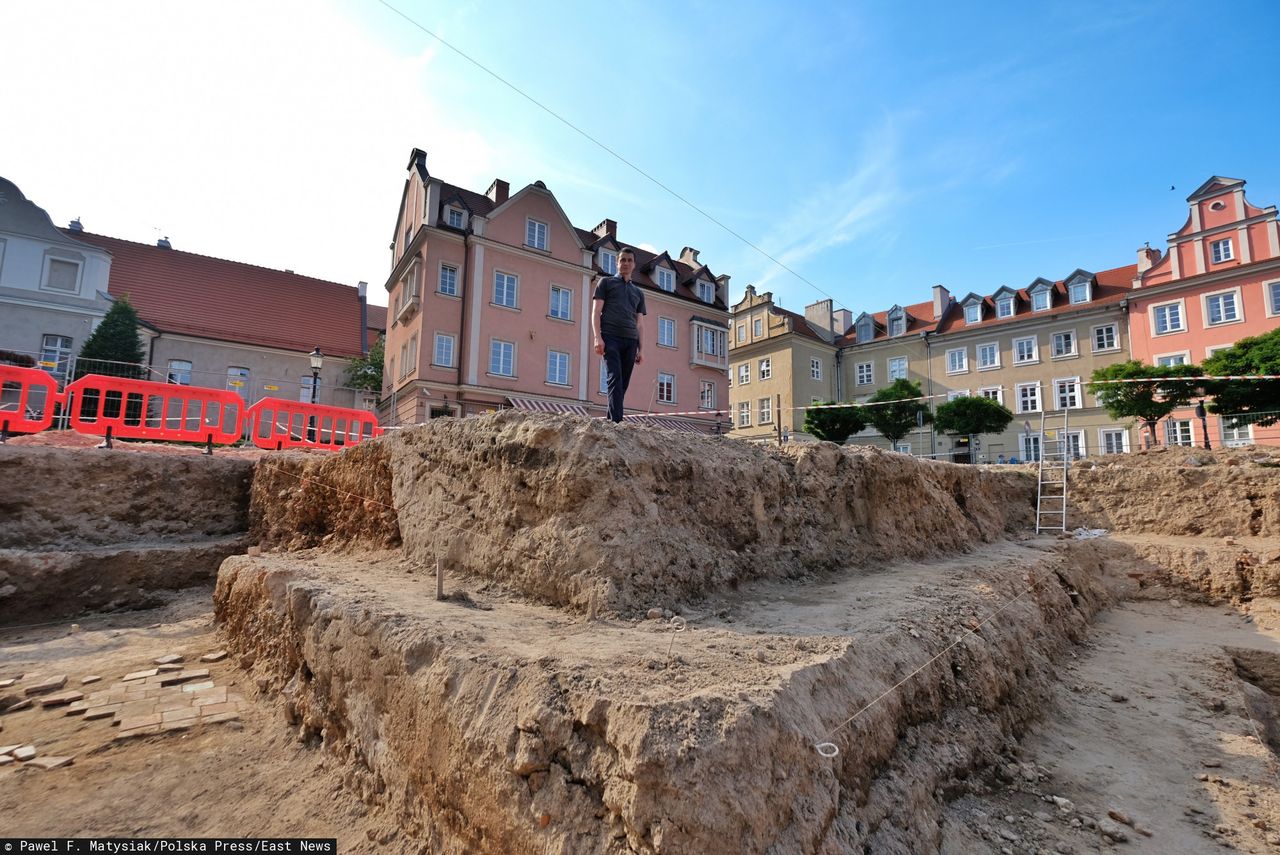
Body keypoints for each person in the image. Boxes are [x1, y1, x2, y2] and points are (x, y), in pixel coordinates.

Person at [591, 247, 647, 422]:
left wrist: (641, 349)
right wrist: (597, 337)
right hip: (610, 336)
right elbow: (596, 311)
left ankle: (611, 421)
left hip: (631, 340)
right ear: (617, 263)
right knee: (614, 377)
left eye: (629, 260)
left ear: (634, 265)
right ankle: (617, 422)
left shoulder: (638, 293)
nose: (626, 263)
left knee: (623, 384)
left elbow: (640, 324)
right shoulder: (605, 283)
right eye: (623, 260)